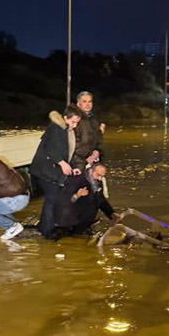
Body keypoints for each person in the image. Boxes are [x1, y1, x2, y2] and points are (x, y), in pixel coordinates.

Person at [32, 106, 82, 239]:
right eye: (73, 122)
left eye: (77, 122)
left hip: (51, 171)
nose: (75, 125)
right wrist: (62, 163)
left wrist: (72, 166)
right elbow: (50, 148)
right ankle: (47, 231)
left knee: (52, 199)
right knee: (52, 199)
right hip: (45, 171)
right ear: (65, 118)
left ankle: (45, 227)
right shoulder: (55, 128)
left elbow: (65, 154)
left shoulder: (65, 129)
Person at [52, 162, 115, 238]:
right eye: (98, 175)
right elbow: (62, 201)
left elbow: (100, 200)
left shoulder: (98, 182)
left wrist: (111, 213)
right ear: (90, 171)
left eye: (102, 176)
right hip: (69, 225)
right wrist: (77, 195)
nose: (100, 178)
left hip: (84, 223)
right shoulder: (75, 180)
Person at [71, 91, 106, 169]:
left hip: (92, 160)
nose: (88, 104)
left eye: (90, 101)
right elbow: (73, 144)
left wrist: (97, 151)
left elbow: (98, 140)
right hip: (78, 163)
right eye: (84, 101)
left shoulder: (94, 120)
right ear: (78, 104)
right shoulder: (74, 120)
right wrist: (85, 160)